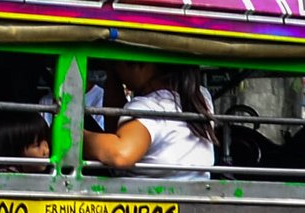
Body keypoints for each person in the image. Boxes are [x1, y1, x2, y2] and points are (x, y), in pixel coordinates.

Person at [83, 62, 215, 178]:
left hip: (145, 198)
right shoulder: (201, 97)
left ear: (140, 66)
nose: (118, 72)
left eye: (118, 65)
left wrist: (74, 133)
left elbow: (120, 155)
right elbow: (114, 130)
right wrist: (113, 78)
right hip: (195, 191)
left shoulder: (150, 106)